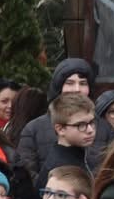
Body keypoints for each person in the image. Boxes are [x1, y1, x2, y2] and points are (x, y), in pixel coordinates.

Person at [12, 58, 96, 186]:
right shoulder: (34, 128)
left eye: (83, 83)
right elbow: (28, 173)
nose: (77, 89)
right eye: (70, 83)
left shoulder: (104, 125)